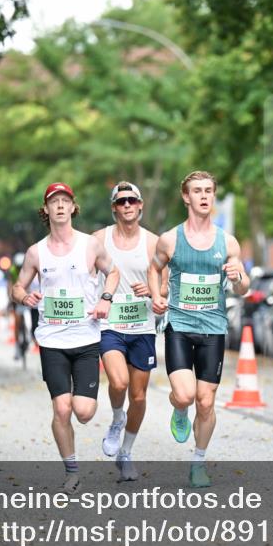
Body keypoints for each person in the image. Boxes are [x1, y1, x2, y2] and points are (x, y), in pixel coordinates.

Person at [10, 182, 119, 494]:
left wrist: (106, 299)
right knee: (61, 409)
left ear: (73, 207)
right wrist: (24, 297)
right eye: (53, 201)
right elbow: (17, 287)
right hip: (52, 340)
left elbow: (113, 272)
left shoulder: (90, 246)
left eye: (65, 201)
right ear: (45, 210)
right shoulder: (36, 252)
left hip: (86, 338)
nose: (59, 205)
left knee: (83, 412)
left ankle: (85, 418)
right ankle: (71, 471)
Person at [149, 171, 249, 488]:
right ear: (186, 197)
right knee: (185, 394)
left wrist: (237, 278)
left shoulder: (227, 242)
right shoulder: (170, 239)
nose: (204, 196)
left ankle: (199, 462)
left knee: (206, 402)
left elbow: (244, 288)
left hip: (214, 329)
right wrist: (156, 296)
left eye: (208, 191)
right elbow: (154, 267)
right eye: (197, 191)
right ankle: (180, 411)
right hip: (179, 324)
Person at [92, 182, 165, 482]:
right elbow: (81, 270)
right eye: (121, 201)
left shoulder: (153, 243)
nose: (126, 206)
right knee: (119, 383)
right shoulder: (98, 239)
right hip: (110, 325)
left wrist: (153, 290)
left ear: (141, 205)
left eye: (131, 200)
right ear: (114, 208)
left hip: (142, 327)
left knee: (138, 395)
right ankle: (116, 419)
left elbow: (167, 284)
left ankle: (126, 453)